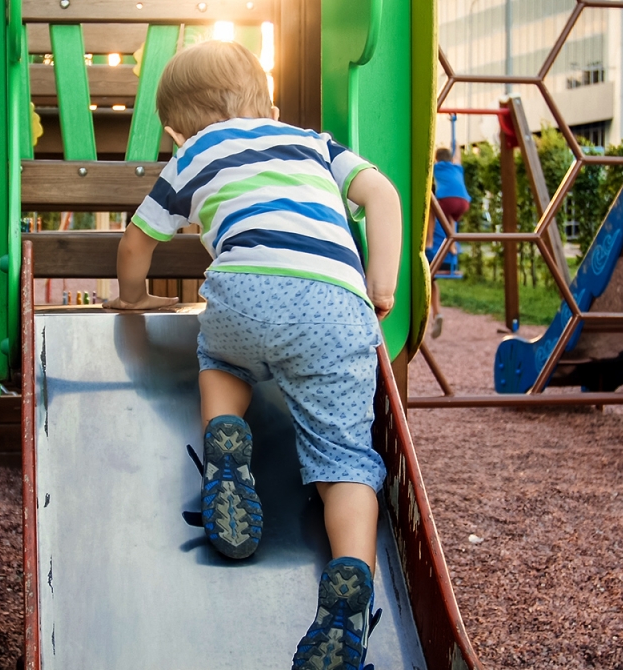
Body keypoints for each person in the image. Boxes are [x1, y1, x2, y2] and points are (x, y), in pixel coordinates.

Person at [103, 40, 402, 669]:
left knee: (222, 362)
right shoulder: (316, 143)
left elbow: (135, 245)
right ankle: (351, 578)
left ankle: (226, 447)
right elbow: (384, 198)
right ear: (265, 100)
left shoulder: (194, 152)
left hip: (246, 296)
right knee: (345, 458)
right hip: (337, 306)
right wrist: (380, 284)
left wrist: (132, 301)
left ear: (174, 127)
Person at [432, 146, 471, 223]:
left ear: (436, 159)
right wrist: (456, 146)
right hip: (464, 202)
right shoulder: (457, 168)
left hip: (449, 199)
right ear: (451, 159)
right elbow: (458, 158)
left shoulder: (437, 167)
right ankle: (452, 234)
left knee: (431, 211)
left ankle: (429, 235)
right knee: (450, 217)